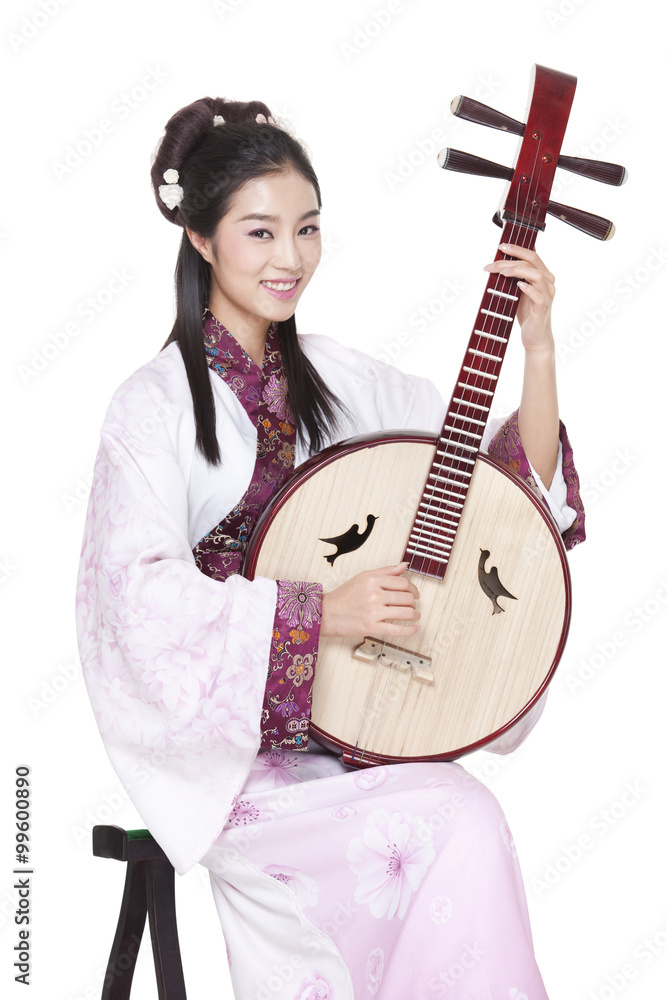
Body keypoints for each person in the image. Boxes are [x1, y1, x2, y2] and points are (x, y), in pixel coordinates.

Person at [76, 96, 585, 1000]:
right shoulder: (151, 408)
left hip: (360, 733)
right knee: (453, 817)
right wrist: (320, 612)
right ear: (200, 240)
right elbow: (136, 602)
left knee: (460, 813)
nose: (289, 258)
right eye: (260, 232)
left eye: (306, 230)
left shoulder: (345, 381)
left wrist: (536, 348)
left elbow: (493, 497)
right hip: (236, 765)